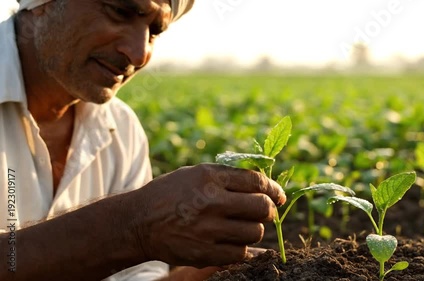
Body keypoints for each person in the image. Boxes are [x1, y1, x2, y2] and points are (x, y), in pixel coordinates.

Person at [0, 0, 286, 280]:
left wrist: (192, 276)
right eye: (120, 11)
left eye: (155, 31)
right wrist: (132, 227)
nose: (139, 54)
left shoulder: (122, 131)